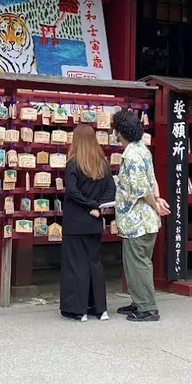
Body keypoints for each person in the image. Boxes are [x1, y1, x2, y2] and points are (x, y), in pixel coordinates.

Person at [112, 108, 168, 322]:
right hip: (139, 220)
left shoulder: (133, 156)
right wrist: (159, 200)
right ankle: (138, 301)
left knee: (138, 263)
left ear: (120, 132)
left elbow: (142, 189)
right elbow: (152, 180)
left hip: (138, 219)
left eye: (115, 130)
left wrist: (155, 205)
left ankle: (147, 307)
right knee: (133, 263)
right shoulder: (142, 149)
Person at [60, 124, 115, 321]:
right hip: (95, 221)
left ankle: (78, 309)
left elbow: (72, 191)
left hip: (76, 221)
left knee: (76, 264)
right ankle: (100, 308)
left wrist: (90, 205)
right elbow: (111, 190)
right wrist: (99, 207)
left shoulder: (73, 163)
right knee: (94, 263)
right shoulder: (102, 164)